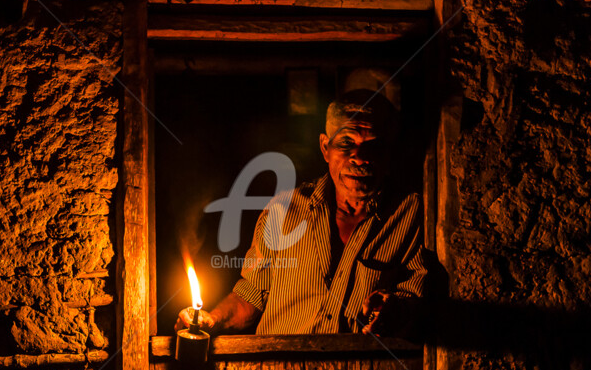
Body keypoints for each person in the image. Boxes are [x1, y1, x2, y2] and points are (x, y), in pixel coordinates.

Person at [175, 89, 427, 336]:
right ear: (325, 147)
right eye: (346, 144)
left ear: (389, 153)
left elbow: (418, 300)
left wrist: (396, 310)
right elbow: (251, 296)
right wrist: (212, 320)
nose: (359, 158)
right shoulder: (282, 210)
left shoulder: (410, 214)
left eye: (373, 146)